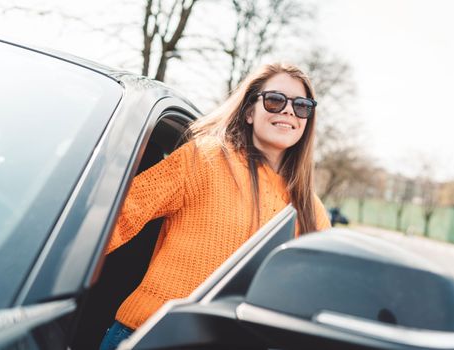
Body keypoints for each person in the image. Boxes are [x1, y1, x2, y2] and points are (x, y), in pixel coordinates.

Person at [99, 63, 331, 350]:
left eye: (302, 106)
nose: (288, 111)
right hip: (149, 335)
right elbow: (113, 220)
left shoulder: (311, 211)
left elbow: (314, 300)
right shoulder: (204, 158)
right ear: (249, 111)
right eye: (275, 100)